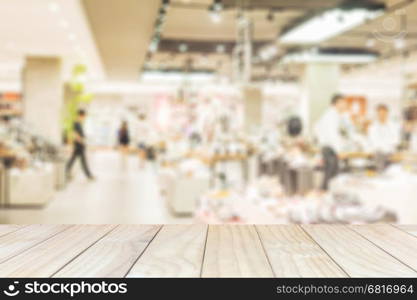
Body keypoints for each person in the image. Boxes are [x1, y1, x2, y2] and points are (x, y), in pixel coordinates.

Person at [66, 109, 95, 180]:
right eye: (84, 116)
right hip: (79, 145)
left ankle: (66, 171)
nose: (84, 118)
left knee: (73, 159)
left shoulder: (78, 123)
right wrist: (82, 141)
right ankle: (89, 175)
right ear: (81, 115)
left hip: (79, 145)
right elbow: (75, 134)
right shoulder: (76, 123)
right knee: (82, 161)